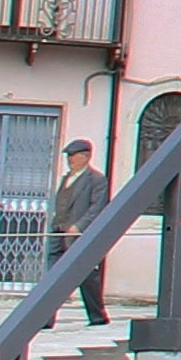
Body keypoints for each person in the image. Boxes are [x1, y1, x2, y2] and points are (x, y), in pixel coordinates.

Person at [49, 138, 114, 326]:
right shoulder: (66, 179)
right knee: (52, 277)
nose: (70, 160)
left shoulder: (96, 180)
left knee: (87, 278)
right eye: (69, 156)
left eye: (73, 156)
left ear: (85, 157)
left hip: (78, 236)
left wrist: (79, 226)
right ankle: (46, 318)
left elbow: (97, 207)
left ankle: (98, 316)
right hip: (59, 234)